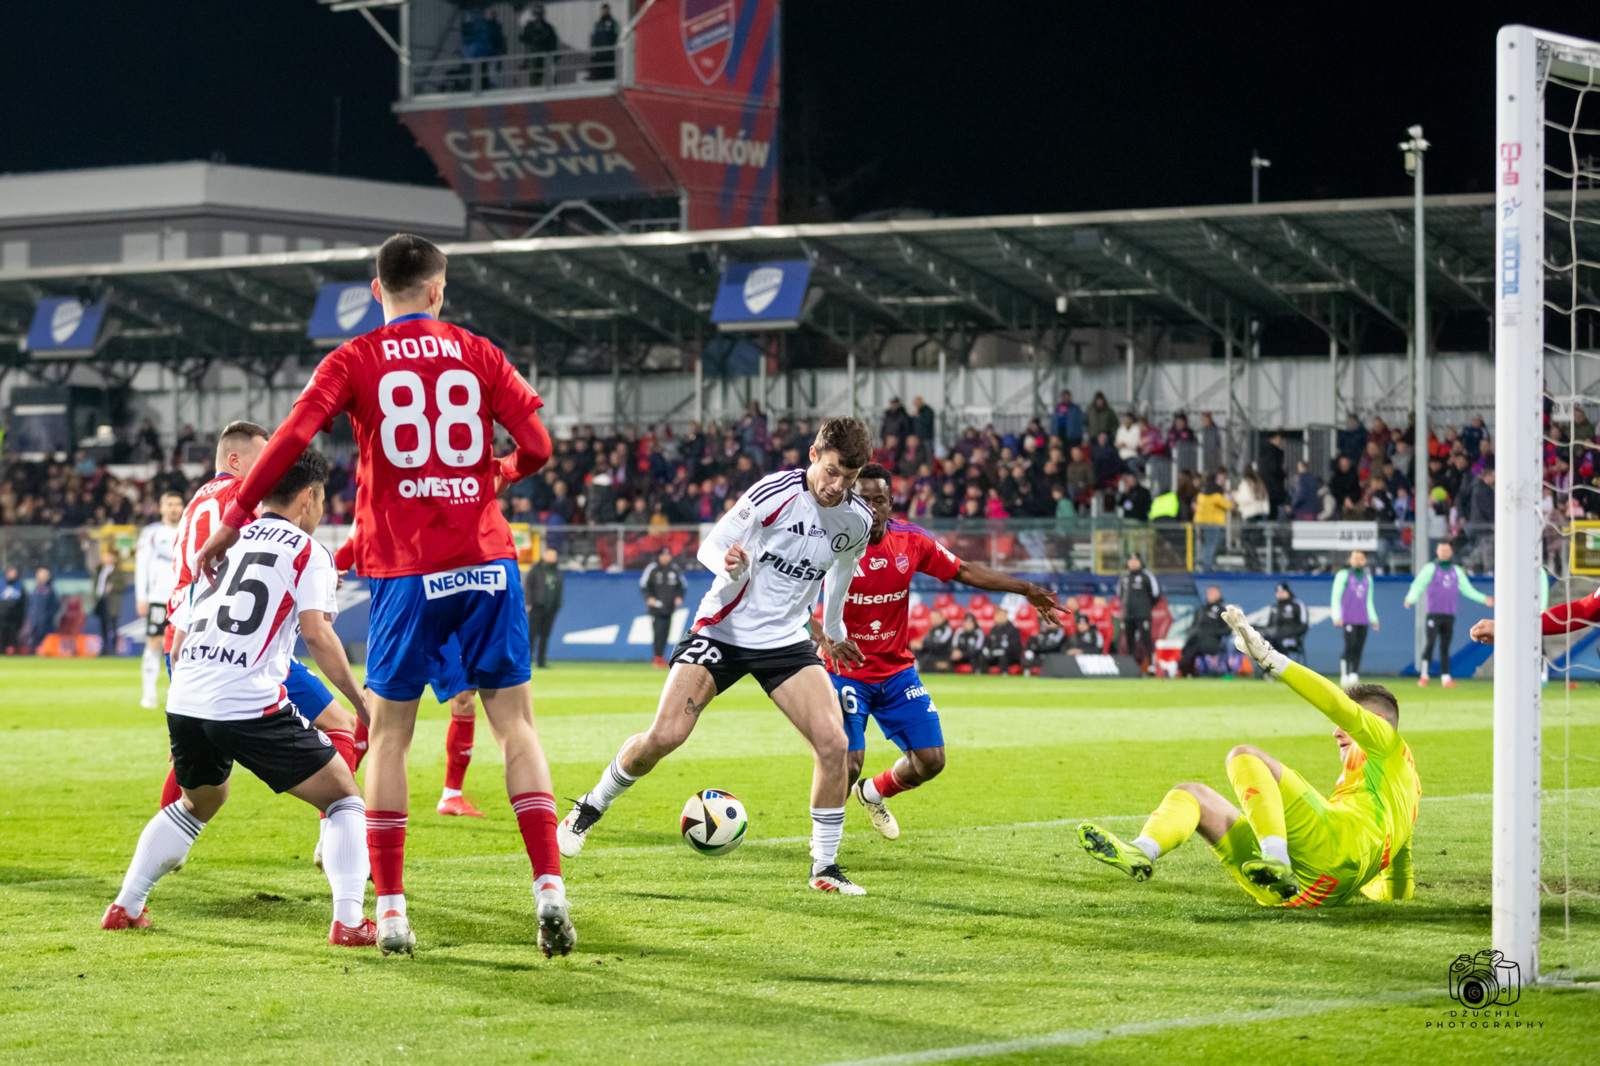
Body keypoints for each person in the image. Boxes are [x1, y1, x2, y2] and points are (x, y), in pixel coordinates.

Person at [192, 233, 571, 959]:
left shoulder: (354, 360)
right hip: (488, 563)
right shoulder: (478, 351)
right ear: (438, 287)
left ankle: (391, 912)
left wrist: (235, 517)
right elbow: (541, 447)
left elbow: (294, 436)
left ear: (377, 291)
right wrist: (502, 472)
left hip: (406, 571)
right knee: (515, 729)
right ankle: (549, 889)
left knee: (392, 737)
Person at [558, 418, 876, 895]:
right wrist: (726, 563)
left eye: (848, 479)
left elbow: (843, 573)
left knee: (834, 745)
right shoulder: (773, 493)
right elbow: (711, 546)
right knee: (665, 736)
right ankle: (591, 804)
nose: (836, 487)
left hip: (785, 641)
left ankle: (824, 869)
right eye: (831, 472)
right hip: (723, 630)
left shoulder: (857, 520)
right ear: (813, 455)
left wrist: (832, 630)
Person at [102, 450, 378, 945]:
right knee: (344, 798)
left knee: (200, 802)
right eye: (323, 501)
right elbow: (317, 633)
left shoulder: (224, 541)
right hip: (246, 700)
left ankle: (126, 905)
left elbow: (181, 631)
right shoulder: (308, 551)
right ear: (309, 497)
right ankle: (350, 920)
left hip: (186, 694)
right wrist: (361, 701)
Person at [1076, 607, 1418, 908]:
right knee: (1194, 795)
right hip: (1311, 893)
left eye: (1346, 727)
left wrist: (1272, 660)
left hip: (1330, 847)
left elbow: (1337, 704)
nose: (1337, 732)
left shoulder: (1387, 742)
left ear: (1380, 723)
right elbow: (1399, 881)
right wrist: (1367, 890)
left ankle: (1276, 858)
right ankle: (1142, 850)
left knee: (1244, 756)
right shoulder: (1402, 791)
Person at [161, 422, 366, 867]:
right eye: (265, 456)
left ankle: (162, 850)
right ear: (236, 462)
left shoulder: (199, 499)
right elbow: (275, 553)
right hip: (239, 641)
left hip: (188, 637)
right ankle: (335, 832)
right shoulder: (241, 500)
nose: (275, 467)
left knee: (197, 752)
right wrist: (318, 573)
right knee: (343, 725)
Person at [813, 463, 1058, 836]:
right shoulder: (828, 542)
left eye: (880, 500)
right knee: (847, 764)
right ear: (849, 501)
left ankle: (874, 791)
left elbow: (964, 571)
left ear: (891, 502)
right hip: (844, 671)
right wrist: (819, 633)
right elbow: (791, 597)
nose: (873, 508)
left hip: (896, 671)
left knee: (931, 761)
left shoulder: (910, 541)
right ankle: (823, 847)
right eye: (864, 500)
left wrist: (1025, 589)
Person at [1405, 541, 1492, 688]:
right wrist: (1410, 598)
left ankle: (1445, 678)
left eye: (1447, 550)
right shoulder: (1430, 568)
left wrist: (1484, 599)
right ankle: (1424, 676)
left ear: (1451, 552)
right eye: (1442, 550)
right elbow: (1418, 584)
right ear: (1437, 552)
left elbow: (1467, 589)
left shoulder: (1456, 570)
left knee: (1445, 646)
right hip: (1433, 614)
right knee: (1431, 644)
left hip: (1449, 614)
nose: (1445, 553)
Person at [135, 492, 184, 708]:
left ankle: (180, 694)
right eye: (170, 504)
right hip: (158, 598)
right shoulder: (151, 533)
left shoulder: (190, 527)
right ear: (161, 508)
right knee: (154, 643)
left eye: (178, 504)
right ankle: (149, 694)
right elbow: (141, 566)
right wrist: (141, 597)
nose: (174, 508)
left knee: (184, 647)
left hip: (183, 598)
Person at [1330, 550, 1378, 687]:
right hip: (1348, 618)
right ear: (1350, 560)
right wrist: (1336, 616)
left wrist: (1373, 618)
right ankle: (1344, 674)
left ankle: (1354, 674)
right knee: (1349, 646)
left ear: (1364, 561)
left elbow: (1369, 600)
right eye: (1354, 558)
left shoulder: (1368, 579)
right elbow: (1336, 597)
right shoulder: (1343, 575)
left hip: (1362, 618)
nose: (1357, 560)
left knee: (1359, 647)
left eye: (1360, 558)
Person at [640, 547, 686, 668]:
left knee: (666, 633)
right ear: (659, 556)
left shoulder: (674, 569)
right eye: (663, 555)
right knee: (658, 633)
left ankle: (661, 658)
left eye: (668, 555)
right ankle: (657, 658)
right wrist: (649, 598)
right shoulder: (652, 568)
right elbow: (644, 585)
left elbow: (682, 586)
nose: (666, 557)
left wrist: (679, 597)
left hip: (669, 608)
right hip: (656, 608)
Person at [1117, 553, 1160, 674]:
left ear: (1140, 562)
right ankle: (1132, 668)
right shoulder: (1124, 576)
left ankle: (1151, 666)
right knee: (1129, 642)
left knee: (1146, 640)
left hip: (1143, 614)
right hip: (1128, 614)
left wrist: (1145, 606)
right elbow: (1119, 593)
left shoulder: (1146, 575)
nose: (1133, 563)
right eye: (1130, 561)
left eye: (1135, 560)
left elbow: (1156, 593)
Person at [1177, 586, 1229, 677]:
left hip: (1212, 643)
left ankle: (1216, 672)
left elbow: (1227, 630)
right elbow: (1193, 626)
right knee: (1186, 651)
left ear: (1218, 595)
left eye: (1212, 594)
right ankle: (1183, 671)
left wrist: (1213, 632)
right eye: (1208, 593)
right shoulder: (1201, 610)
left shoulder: (1222, 611)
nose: (1209, 596)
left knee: (1203, 646)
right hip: (1197, 641)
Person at [525, 547, 563, 669]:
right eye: (551, 555)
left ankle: (541, 661)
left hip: (551, 607)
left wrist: (558, 604)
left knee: (545, 634)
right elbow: (528, 587)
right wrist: (529, 602)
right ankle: (528, 660)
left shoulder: (556, 571)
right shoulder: (536, 570)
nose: (553, 558)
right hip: (537, 605)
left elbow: (559, 589)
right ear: (544, 555)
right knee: (532, 633)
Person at [1193, 474, 1234, 570]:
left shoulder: (1201, 496)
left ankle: (1205, 564)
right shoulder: (1216, 497)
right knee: (1211, 546)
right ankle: (1208, 566)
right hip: (1215, 524)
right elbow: (1230, 506)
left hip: (1200, 524)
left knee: (1204, 545)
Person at [1261, 582, 1309, 662]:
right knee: (1265, 641)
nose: (1280, 595)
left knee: (1283, 642)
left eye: (1282, 592)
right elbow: (1270, 625)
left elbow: (1304, 625)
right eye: (1278, 592)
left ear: (1288, 592)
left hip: (1292, 638)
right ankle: (1267, 670)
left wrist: (1290, 634)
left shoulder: (1297, 605)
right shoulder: (1275, 607)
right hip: (1275, 638)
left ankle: (1281, 670)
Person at [92, 550, 125, 656]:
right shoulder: (100, 570)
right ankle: (104, 649)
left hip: (112, 602)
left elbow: (123, 586)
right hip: (101, 601)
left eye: (108, 557)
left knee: (113, 626)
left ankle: (114, 649)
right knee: (103, 626)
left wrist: (113, 587)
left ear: (113, 559)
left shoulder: (117, 572)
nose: (105, 559)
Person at [520, 4, 559, 87]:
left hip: (546, 55)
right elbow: (524, 39)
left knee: (549, 76)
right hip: (535, 54)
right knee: (535, 77)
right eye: (537, 14)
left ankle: (550, 91)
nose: (538, 17)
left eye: (540, 14)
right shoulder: (530, 27)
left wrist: (554, 56)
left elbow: (552, 41)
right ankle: (535, 92)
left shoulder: (547, 27)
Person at [24, 567, 60, 654]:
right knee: (32, 641)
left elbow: (55, 606)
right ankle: (32, 655)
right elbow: (30, 605)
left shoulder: (50, 591)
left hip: (46, 622)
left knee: (46, 641)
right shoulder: (35, 589)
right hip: (35, 621)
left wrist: (48, 616)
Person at [982, 607, 1025, 675]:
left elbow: (1015, 648)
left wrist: (1002, 650)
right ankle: (982, 675)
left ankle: (1004, 675)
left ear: (1006, 617)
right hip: (995, 654)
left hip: (1010, 656)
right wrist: (987, 650)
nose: (1000, 618)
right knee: (983, 656)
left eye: (1002, 616)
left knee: (1003, 656)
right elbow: (988, 643)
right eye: (998, 615)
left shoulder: (1013, 630)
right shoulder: (993, 630)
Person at [589, 2, 618, 80]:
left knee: (609, 72)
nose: (605, 12)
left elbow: (615, 36)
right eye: (604, 10)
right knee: (600, 71)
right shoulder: (598, 24)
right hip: (600, 54)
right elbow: (594, 37)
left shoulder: (612, 23)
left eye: (607, 10)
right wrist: (594, 50)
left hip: (609, 53)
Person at [0, 567, 24, 654]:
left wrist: (20, 620)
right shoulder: (2, 585)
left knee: (14, 640)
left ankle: (16, 656)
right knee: (2, 640)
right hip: (2, 620)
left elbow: (23, 605)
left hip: (14, 620)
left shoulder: (20, 586)